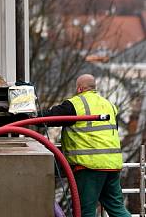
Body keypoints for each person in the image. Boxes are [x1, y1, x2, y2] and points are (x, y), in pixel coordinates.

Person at [44, 73, 131, 217]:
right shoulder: (108, 105)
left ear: (79, 89)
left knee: (86, 211)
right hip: (112, 165)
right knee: (117, 209)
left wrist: (31, 115)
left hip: (89, 167)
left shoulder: (76, 104)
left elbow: (50, 117)